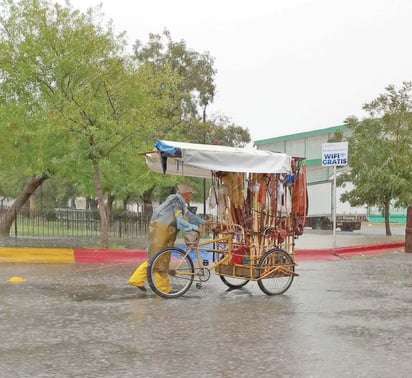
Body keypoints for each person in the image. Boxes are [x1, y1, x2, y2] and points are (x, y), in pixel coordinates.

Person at [128, 183, 207, 293]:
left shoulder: (178, 201)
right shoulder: (177, 202)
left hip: (162, 229)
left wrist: (203, 222)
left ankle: (139, 280)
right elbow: (180, 222)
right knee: (159, 259)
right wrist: (195, 228)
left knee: (159, 259)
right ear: (186, 194)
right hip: (162, 230)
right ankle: (160, 288)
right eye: (191, 194)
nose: (192, 197)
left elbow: (189, 216)